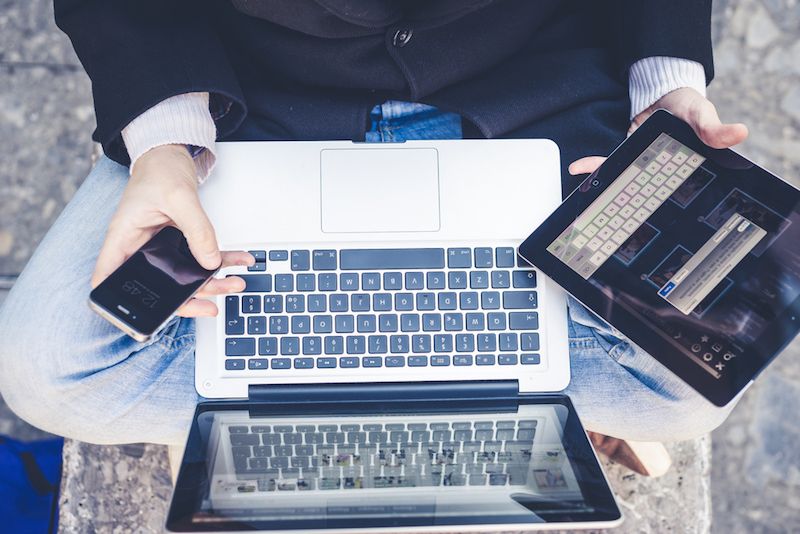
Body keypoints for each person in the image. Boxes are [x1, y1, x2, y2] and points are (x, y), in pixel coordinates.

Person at [0, 0, 748, 475]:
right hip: (249, 101)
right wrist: (165, 142)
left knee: (692, 388)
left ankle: (247, 406)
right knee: (47, 367)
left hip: (536, 91)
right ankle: (527, 410)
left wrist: (665, 94)